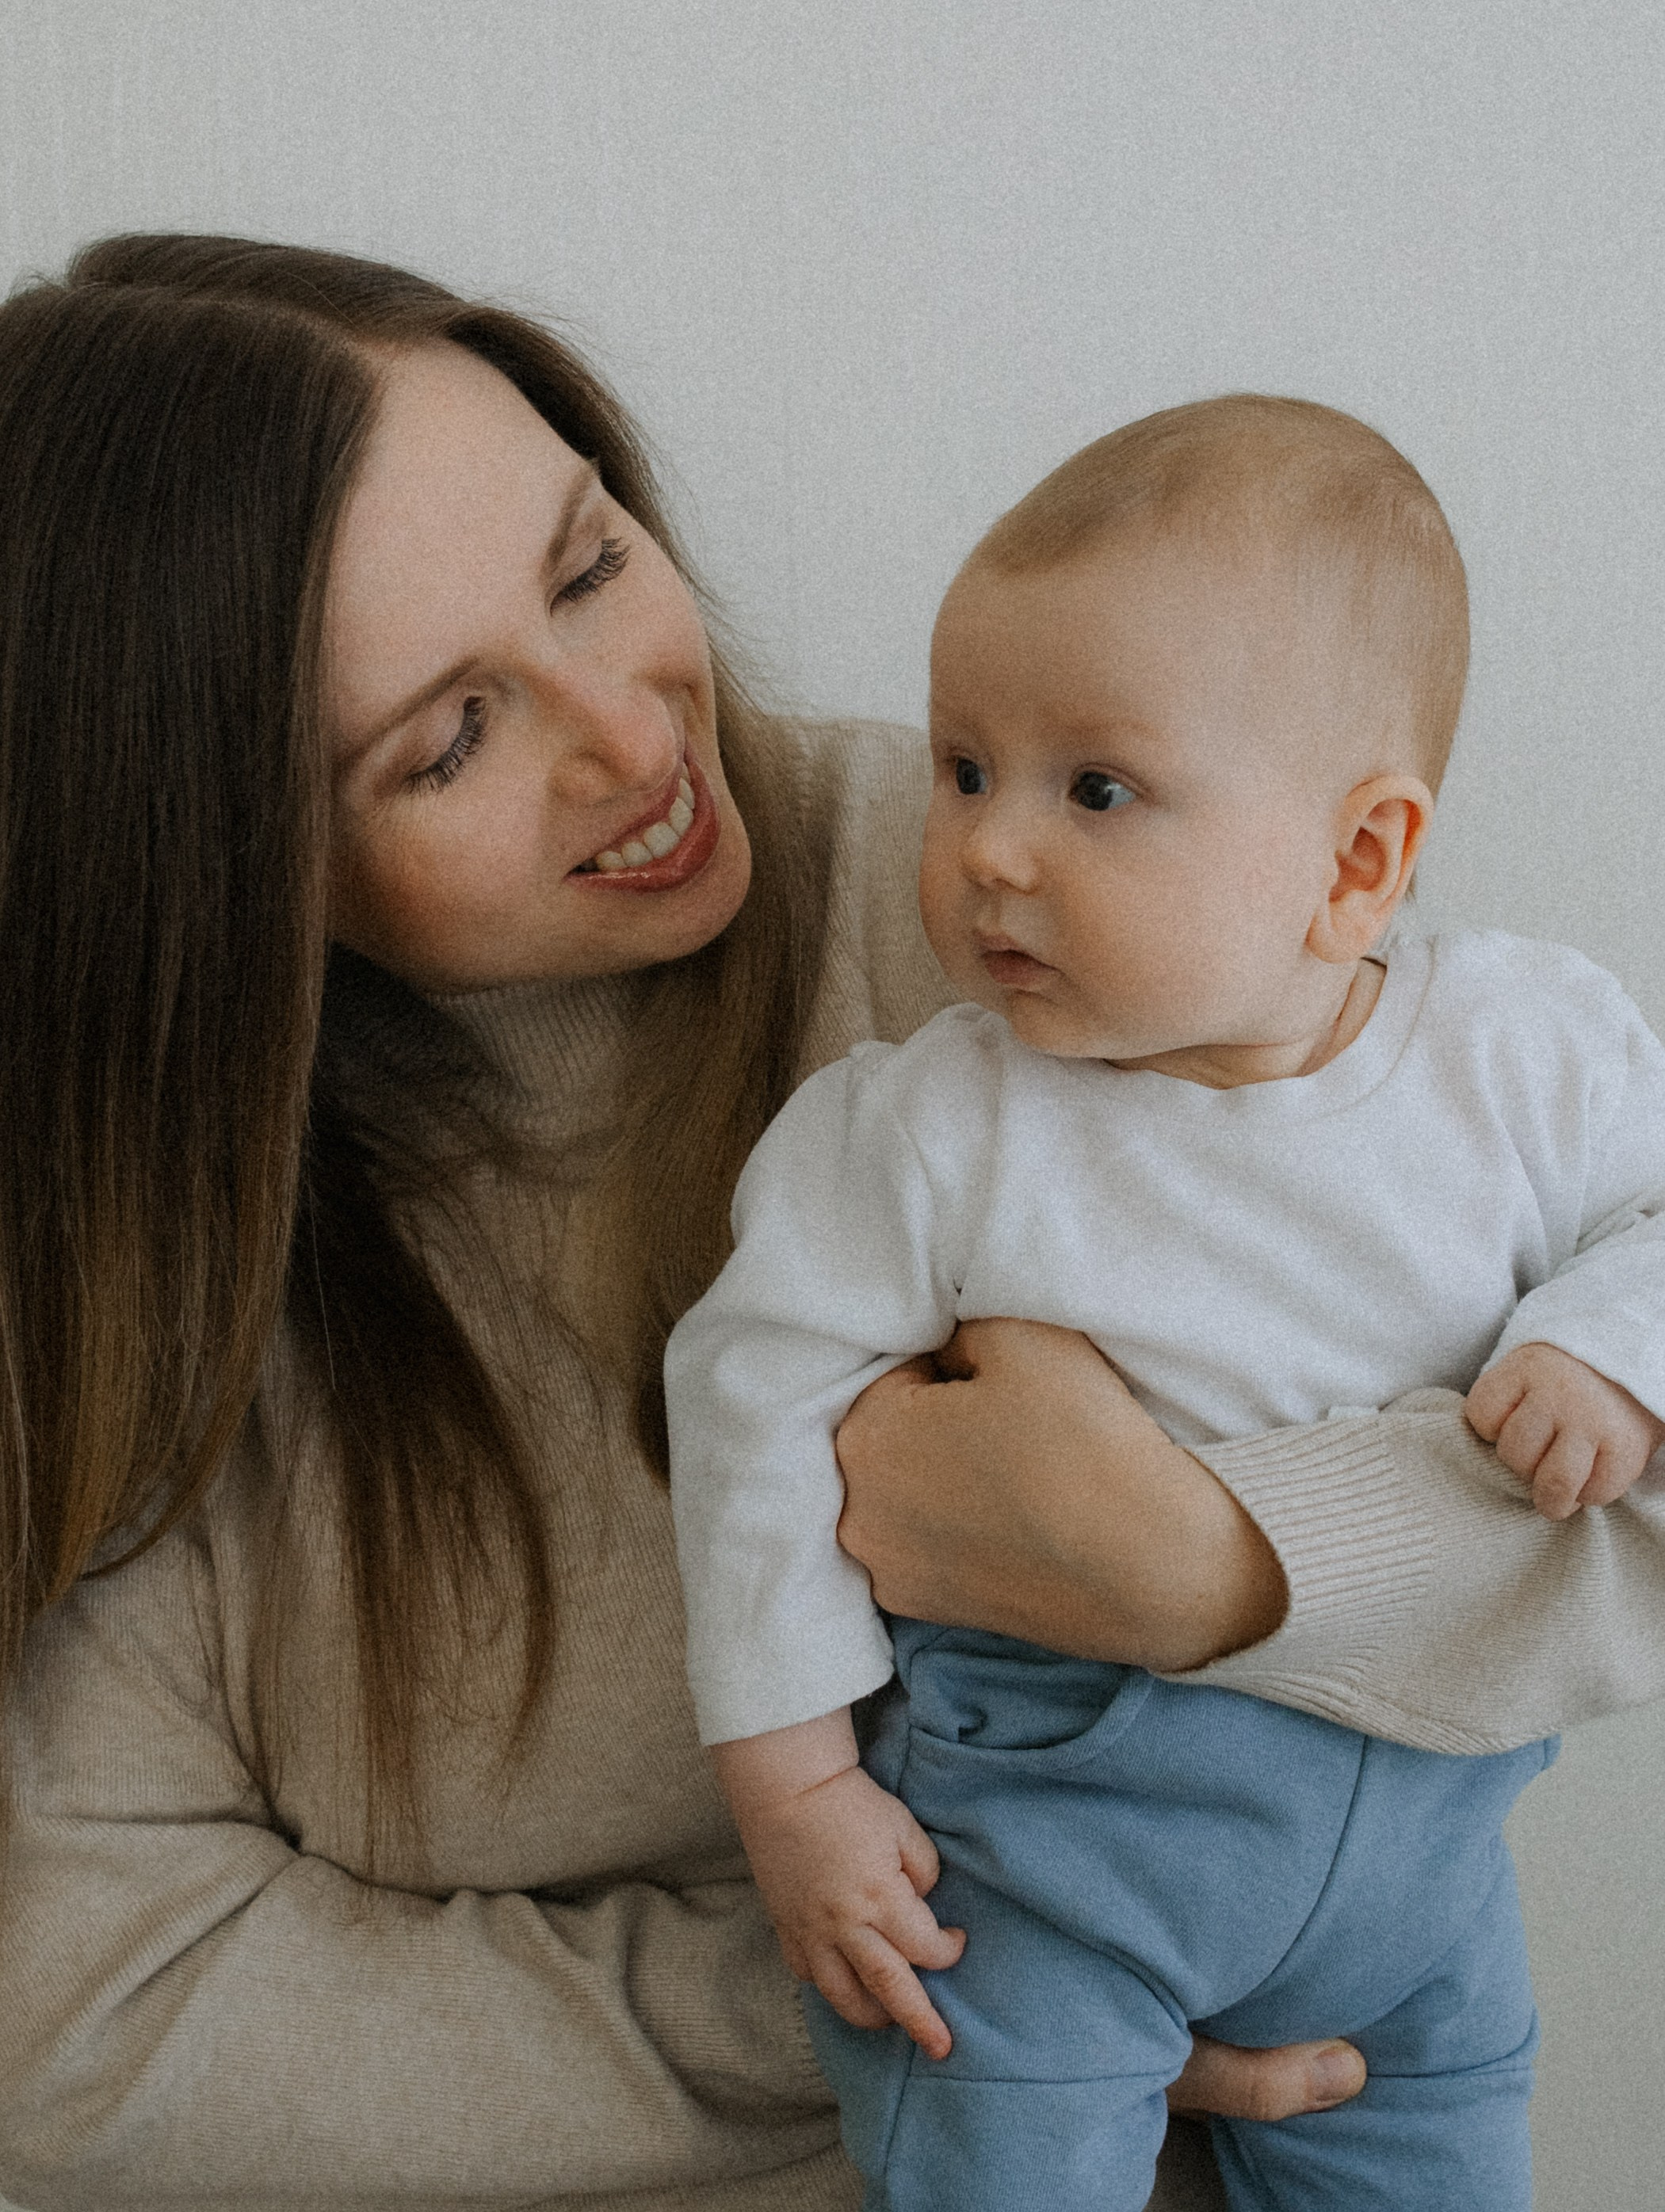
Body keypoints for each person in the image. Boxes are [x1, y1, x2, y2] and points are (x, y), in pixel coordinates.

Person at [0, 242, 1659, 2212]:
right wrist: (948, 1983)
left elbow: (1599, 1423)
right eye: (449, 739)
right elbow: (82, 2013)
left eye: (589, 565)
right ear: (220, 856)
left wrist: (1211, 1564)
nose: (632, 741)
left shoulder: (1062, 908)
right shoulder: (149, 1254)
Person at [663, 398, 1665, 2211]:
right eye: (964, 768)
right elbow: (750, 1401)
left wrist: (1608, 1340)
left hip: (1423, 1875)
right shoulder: (926, 1128)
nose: (990, 849)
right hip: (1046, 1876)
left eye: (1093, 790)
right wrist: (796, 1786)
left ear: (1356, 863)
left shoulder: (1527, 1057)